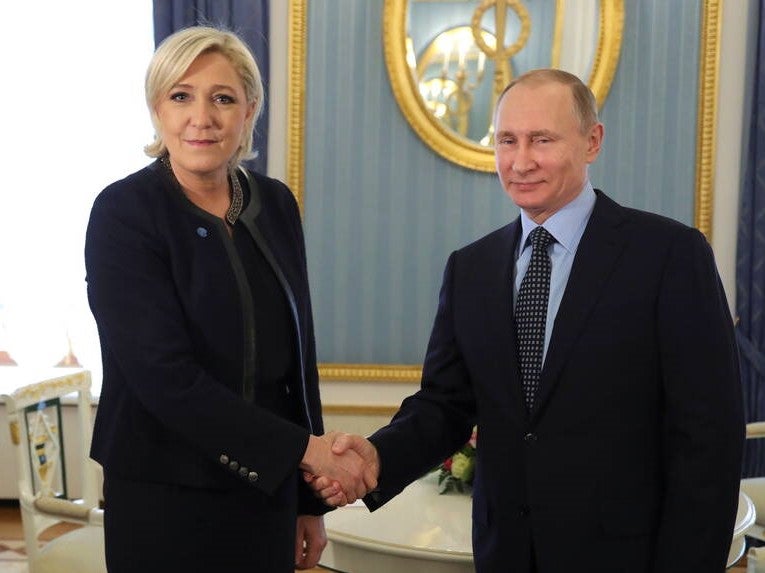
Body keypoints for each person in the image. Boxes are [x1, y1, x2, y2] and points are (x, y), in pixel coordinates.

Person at [310, 69, 744, 572]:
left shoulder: (669, 255)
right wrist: (376, 457)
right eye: (507, 141)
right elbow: (446, 405)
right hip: (507, 554)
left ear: (592, 142)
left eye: (542, 139)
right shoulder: (470, 268)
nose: (520, 161)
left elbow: (709, 438)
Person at [85, 25, 374, 573]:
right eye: (180, 96)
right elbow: (163, 379)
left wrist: (307, 499)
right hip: (163, 494)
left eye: (222, 98)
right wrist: (304, 453)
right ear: (157, 109)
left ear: (250, 110)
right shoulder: (123, 214)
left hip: (265, 492)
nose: (202, 117)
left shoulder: (276, 203)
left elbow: (299, 357)